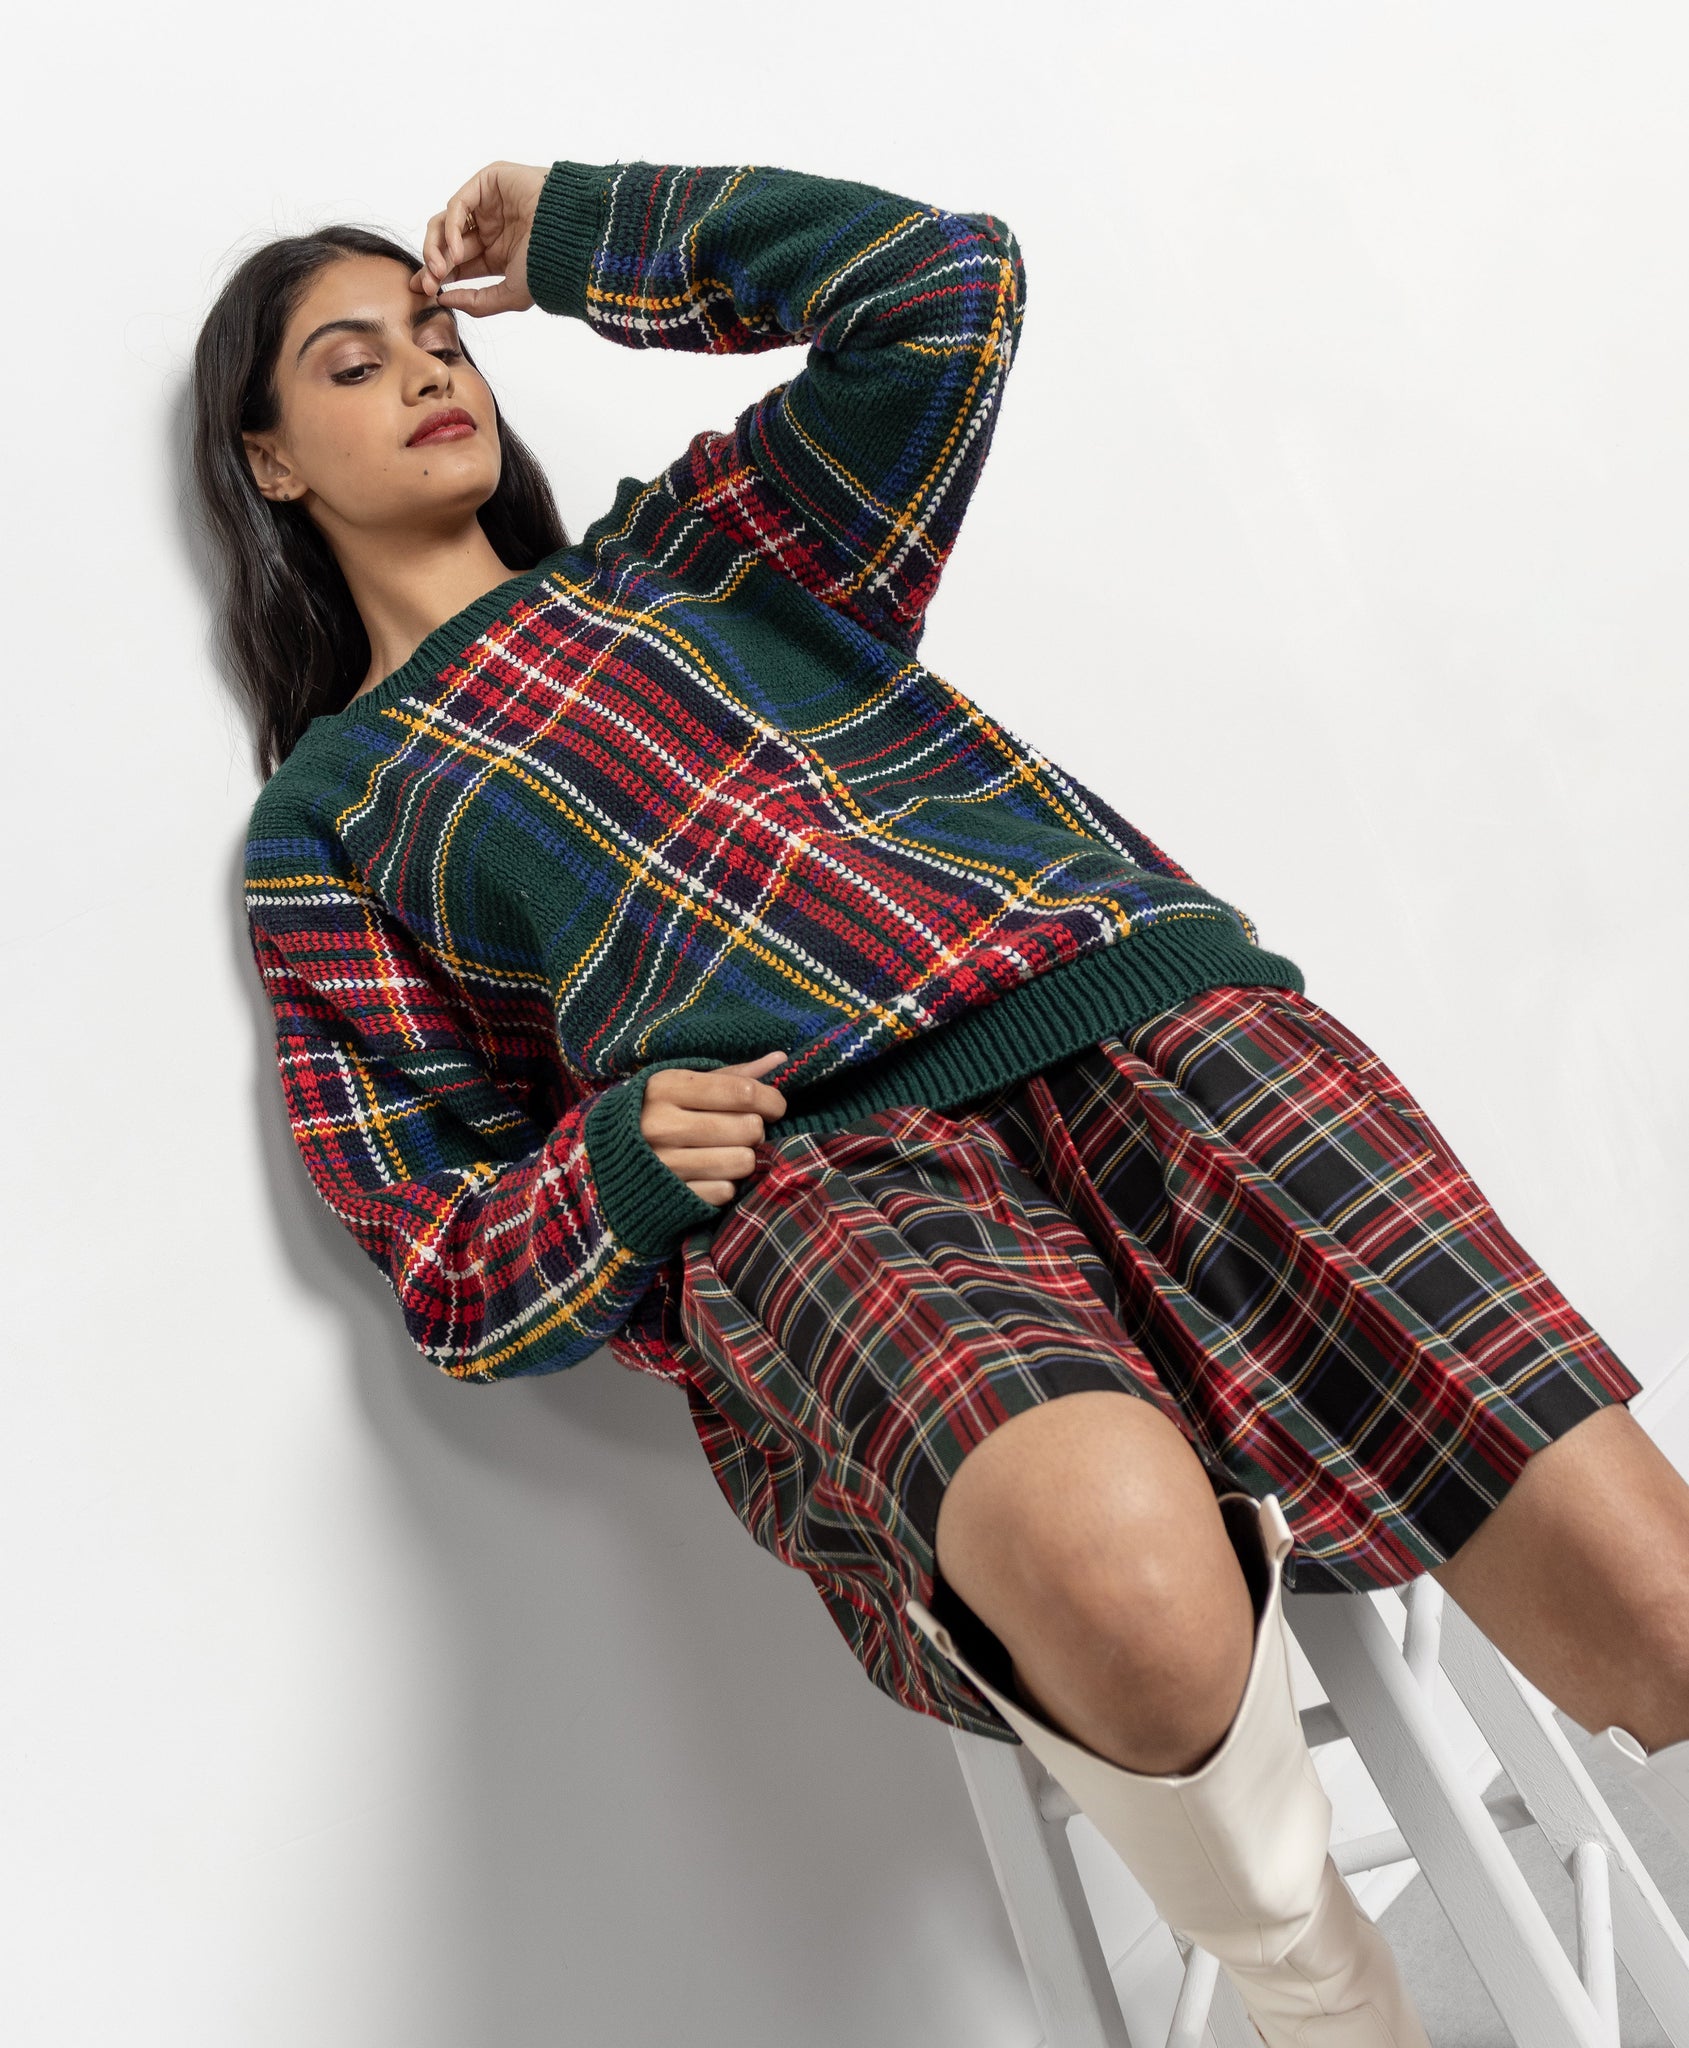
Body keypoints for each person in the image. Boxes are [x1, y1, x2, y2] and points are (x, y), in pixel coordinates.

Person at [195, 153, 1689, 2044]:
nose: (430, 371)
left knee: (1658, 1616)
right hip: (839, 1195)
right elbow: (444, 1257)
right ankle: (1332, 2007)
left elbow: (942, 284)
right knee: (1131, 1607)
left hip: (1157, 1037)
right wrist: (614, 1173)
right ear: (267, 463)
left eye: (433, 338)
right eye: (351, 362)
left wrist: (575, 222)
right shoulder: (330, 817)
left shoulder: (710, 552)